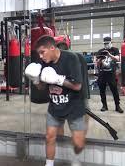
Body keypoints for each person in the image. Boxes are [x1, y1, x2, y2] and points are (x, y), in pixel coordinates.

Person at [25, 36, 86, 166]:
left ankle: (75, 159)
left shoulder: (71, 59)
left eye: (43, 52)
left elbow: (77, 86)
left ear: (52, 48)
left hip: (74, 106)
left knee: (78, 143)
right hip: (55, 106)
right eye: (39, 53)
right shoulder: (43, 62)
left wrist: (58, 79)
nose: (40, 56)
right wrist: (35, 80)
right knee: (49, 137)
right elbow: (42, 87)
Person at [96, 37, 123, 113]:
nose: (106, 45)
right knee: (102, 90)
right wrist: (100, 59)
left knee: (114, 90)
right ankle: (104, 105)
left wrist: (109, 55)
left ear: (111, 42)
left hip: (111, 73)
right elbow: (97, 63)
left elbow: (118, 59)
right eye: (105, 43)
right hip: (102, 73)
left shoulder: (115, 50)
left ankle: (117, 106)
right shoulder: (100, 51)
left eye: (107, 43)